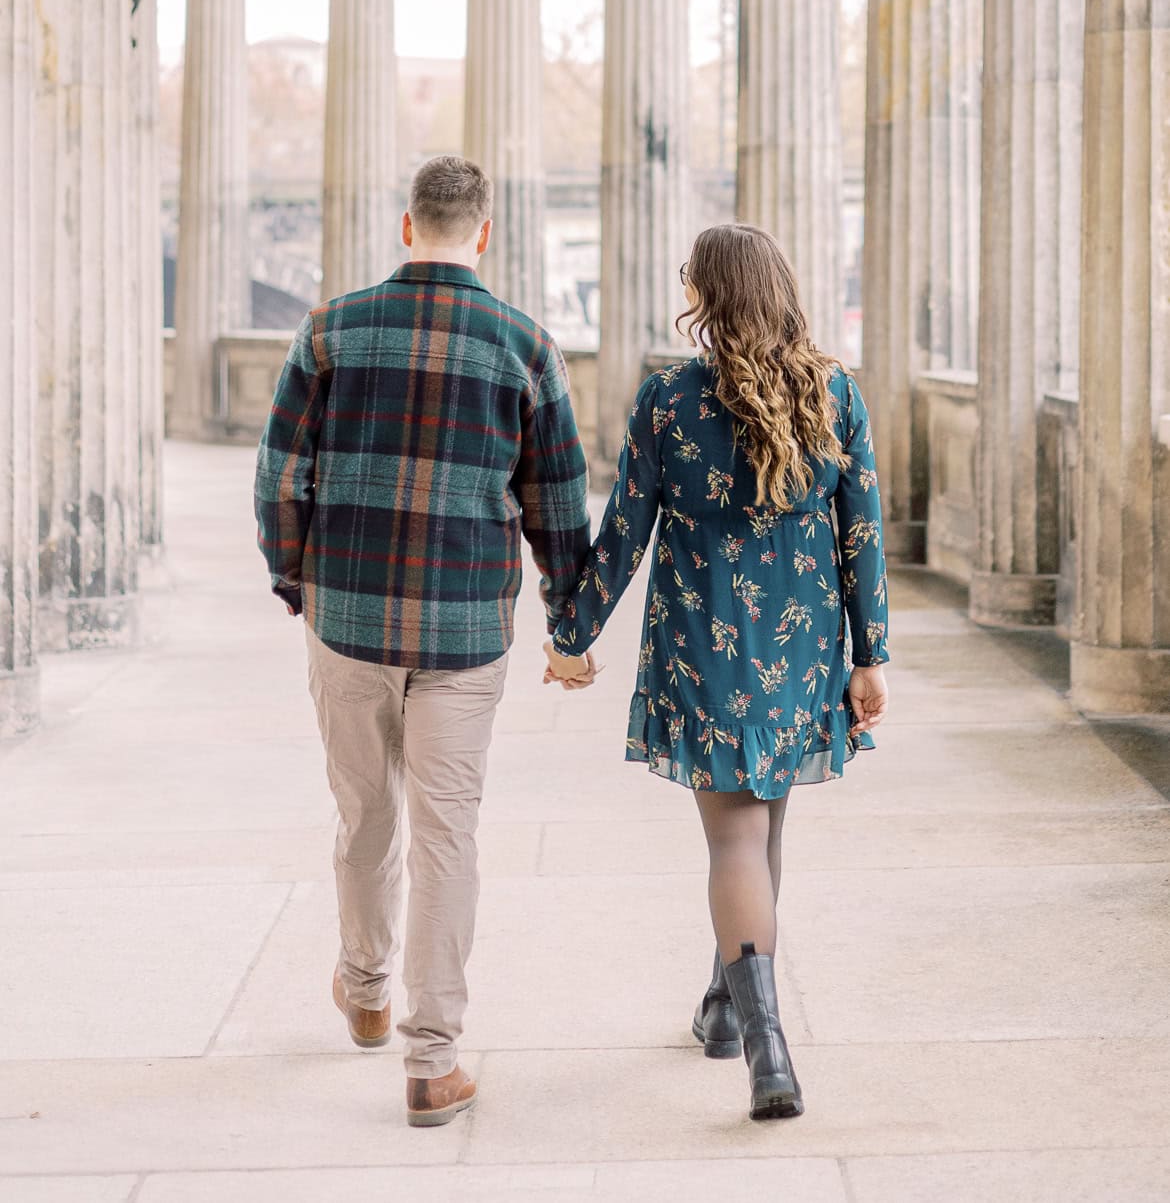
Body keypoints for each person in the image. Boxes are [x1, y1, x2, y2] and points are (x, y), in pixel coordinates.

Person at [255, 156, 591, 1127]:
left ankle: (364, 991)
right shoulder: (524, 346)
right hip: (462, 632)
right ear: (482, 234)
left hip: (348, 620)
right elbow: (557, 507)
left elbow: (281, 474)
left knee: (363, 816)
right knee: (448, 837)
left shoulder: (330, 331)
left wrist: (298, 581)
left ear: (408, 227)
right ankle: (432, 1062)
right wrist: (569, 623)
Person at [543, 222, 889, 1122]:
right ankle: (728, 1010)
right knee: (763, 823)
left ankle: (768, 1051)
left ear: (703, 295)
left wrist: (571, 634)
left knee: (734, 840)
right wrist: (870, 654)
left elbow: (622, 532)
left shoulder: (667, 402)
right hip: (803, 644)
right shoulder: (835, 393)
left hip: (704, 641)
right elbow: (863, 533)